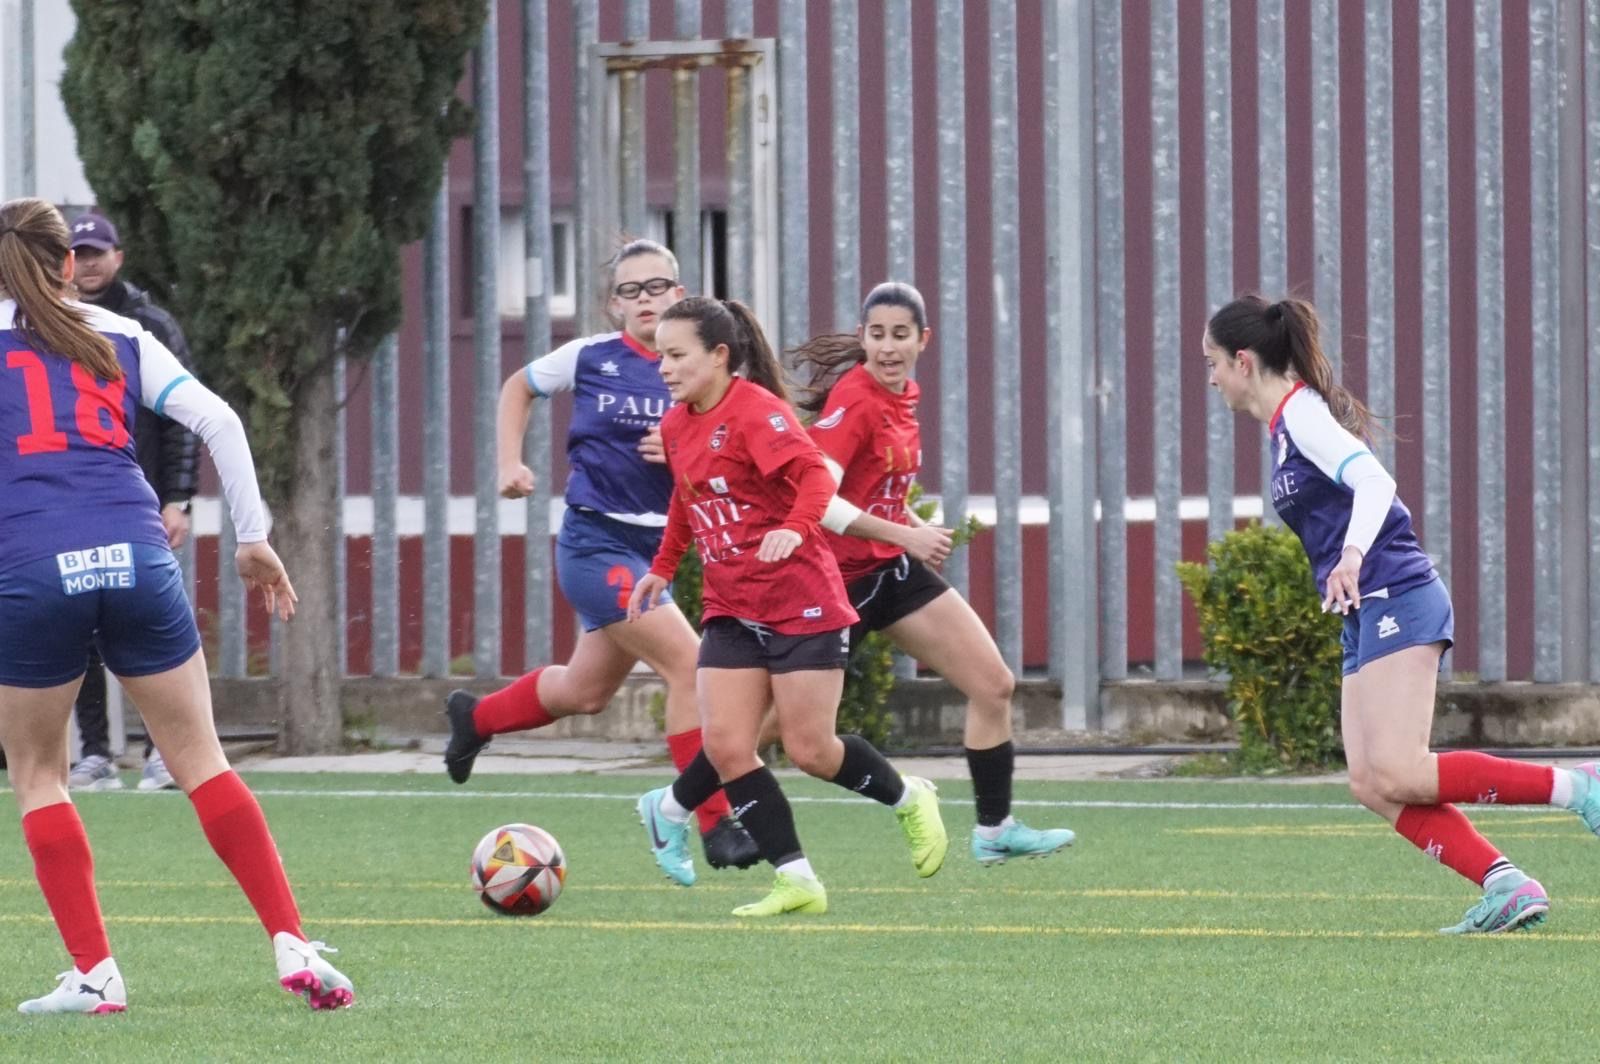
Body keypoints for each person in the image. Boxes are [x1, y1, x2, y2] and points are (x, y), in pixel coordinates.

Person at [0, 197, 353, 1012]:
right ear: (66, 262)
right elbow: (220, 420)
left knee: (39, 775)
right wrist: (253, 539)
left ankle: (96, 975)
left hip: (31, 565)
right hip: (134, 550)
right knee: (202, 762)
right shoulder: (119, 331)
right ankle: (292, 942)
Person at [1203, 293, 1600, 934]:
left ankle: (1578, 787)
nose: (1211, 377)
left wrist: (1353, 553)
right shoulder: (1284, 428)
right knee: (1370, 780)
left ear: (1243, 361)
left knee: (1402, 768)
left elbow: (1375, 482)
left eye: (1213, 362)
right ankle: (1505, 883)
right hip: (1365, 609)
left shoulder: (1302, 415)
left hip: (1396, 592)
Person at [441, 239, 758, 871]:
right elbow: (516, 386)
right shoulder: (589, 357)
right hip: (596, 544)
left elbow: (728, 449)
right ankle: (714, 825)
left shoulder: (697, 368)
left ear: (680, 293)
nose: (645, 300)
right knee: (690, 667)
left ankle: (476, 719)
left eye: (657, 286)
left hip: (658, 552)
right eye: (630, 291)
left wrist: (685, 453)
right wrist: (509, 461)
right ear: (613, 305)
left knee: (585, 693)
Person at [629, 296, 948, 918]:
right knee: (725, 744)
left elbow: (815, 479)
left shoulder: (756, 412)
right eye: (659, 356)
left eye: (676, 355)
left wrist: (798, 529)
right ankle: (796, 878)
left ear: (719, 356)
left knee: (811, 750)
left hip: (802, 601)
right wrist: (662, 568)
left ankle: (910, 798)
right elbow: (686, 502)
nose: (663, 368)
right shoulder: (676, 424)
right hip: (730, 605)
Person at [787, 281, 1077, 864]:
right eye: (876, 335)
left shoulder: (902, 396)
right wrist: (906, 534)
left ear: (923, 339)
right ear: (863, 337)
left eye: (899, 335)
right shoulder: (858, 399)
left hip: (888, 570)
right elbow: (818, 498)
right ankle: (677, 802)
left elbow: (877, 489)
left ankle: (994, 831)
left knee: (993, 683)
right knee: (776, 730)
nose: (887, 347)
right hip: (834, 581)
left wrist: (907, 524)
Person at [65, 211, 200, 793]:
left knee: (148, 624)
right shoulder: (50, 325)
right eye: (80, 253)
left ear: (118, 257)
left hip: (140, 505)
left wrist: (177, 498)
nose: (90, 262)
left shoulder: (149, 325)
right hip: (73, 505)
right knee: (80, 629)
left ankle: (161, 752)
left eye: (99, 252)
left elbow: (185, 420)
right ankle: (95, 753)